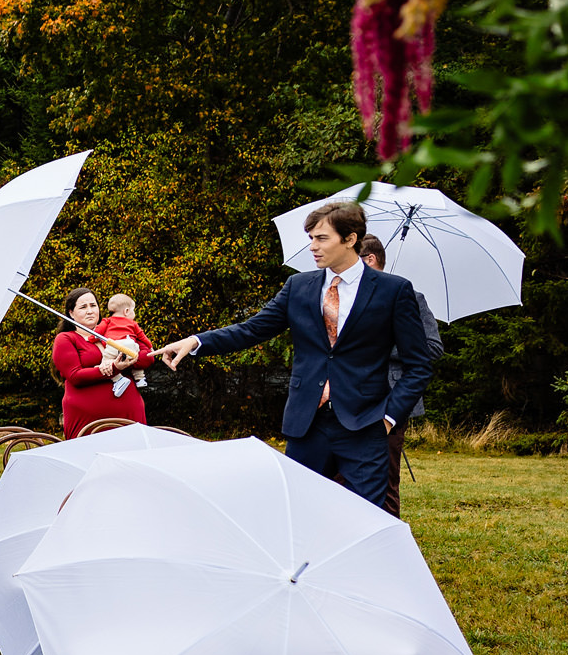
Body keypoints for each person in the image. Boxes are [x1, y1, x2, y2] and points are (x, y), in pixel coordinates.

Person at [156, 201, 434, 510]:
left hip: (365, 425)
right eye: (311, 238)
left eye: (321, 238)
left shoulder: (393, 291)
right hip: (307, 424)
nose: (313, 247)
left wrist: (388, 417)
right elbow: (252, 329)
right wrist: (196, 342)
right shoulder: (299, 286)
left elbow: (419, 364)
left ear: (350, 239)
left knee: (365, 515)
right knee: (300, 513)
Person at [359, 234, 444, 517]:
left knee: (384, 478)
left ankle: (389, 546)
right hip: (349, 397)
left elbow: (432, 348)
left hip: (391, 399)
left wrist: (382, 346)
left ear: (369, 260)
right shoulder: (347, 299)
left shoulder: (412, 298)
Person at [52, 287, 153, 439]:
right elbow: (75, 376)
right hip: (87, 421)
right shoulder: (66, 339)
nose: (90, 311)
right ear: (71, 313)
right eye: (83, 307)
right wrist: (113, 368)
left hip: (128, 414)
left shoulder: (118, 329)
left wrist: (129, 360)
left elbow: (148, 357)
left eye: (93, 305)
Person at [98, 294, 154, 398]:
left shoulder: (107, 321)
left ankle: (118, 379)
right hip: (131, 344)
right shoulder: (132, 323)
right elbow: (142, 336)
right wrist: (150, 346)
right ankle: (140, 379)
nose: (134, 314)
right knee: (133, 357)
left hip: (114, 345)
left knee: (106, 363)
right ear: (127, 311)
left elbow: (98, 332)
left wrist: (91, 339)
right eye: (134, 310)